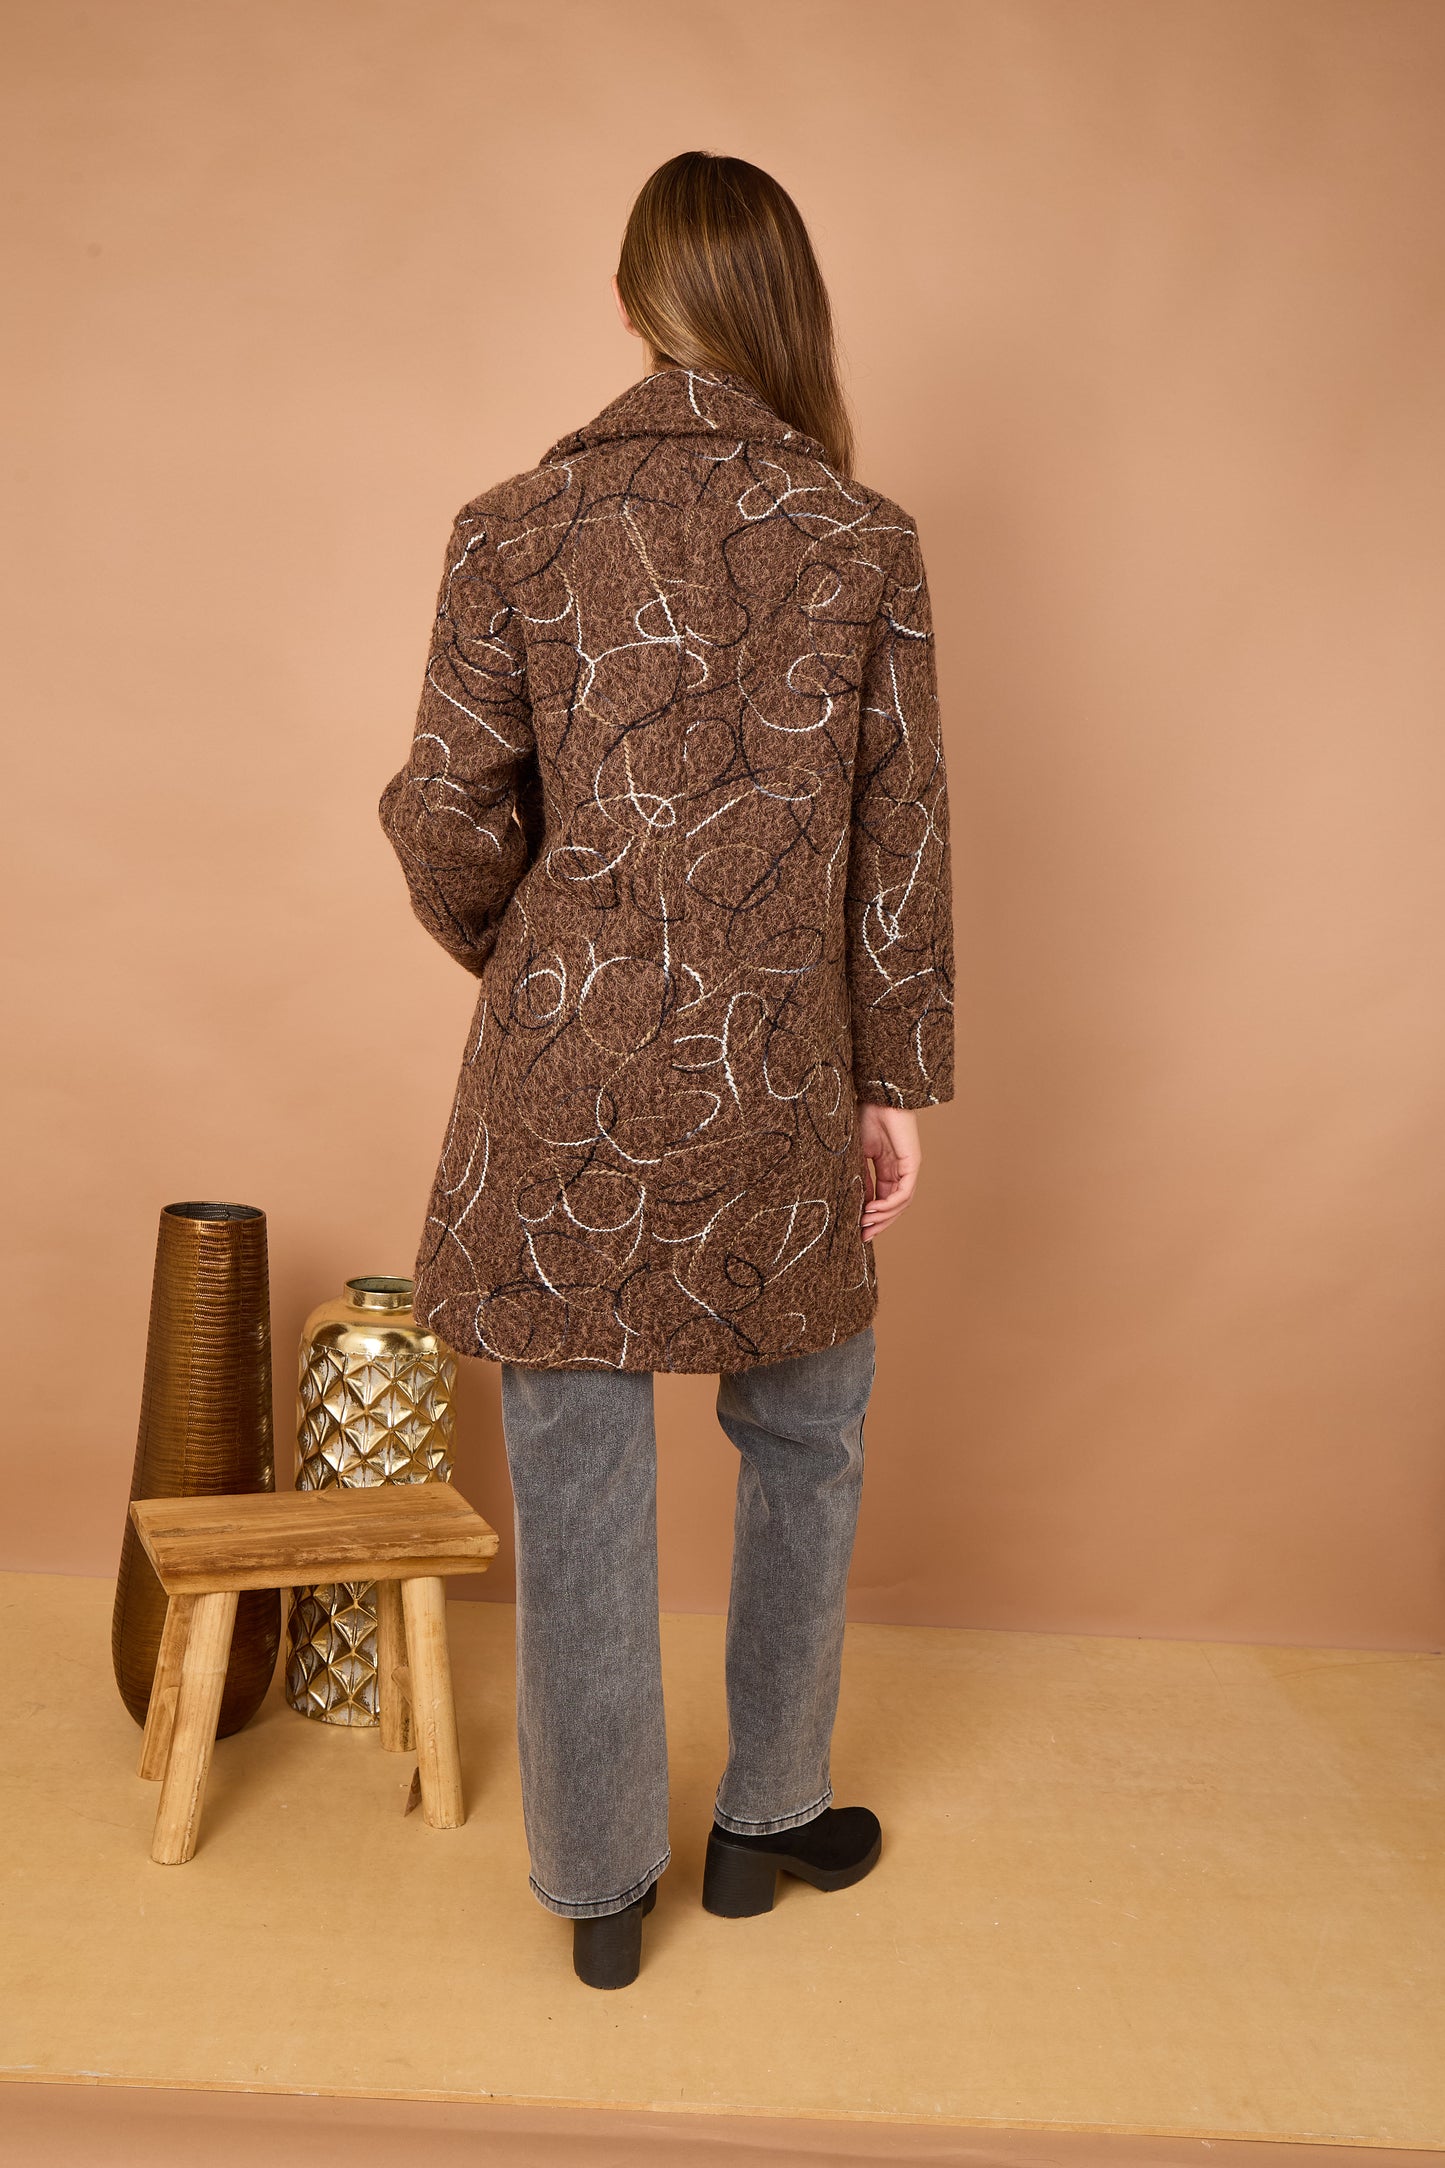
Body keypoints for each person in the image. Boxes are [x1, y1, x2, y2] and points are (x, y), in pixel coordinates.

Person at [379, 150, 955, 1989]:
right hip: (779, 1065)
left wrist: (539, 961)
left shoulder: (511, 526)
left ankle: (597, 1885)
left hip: (564, 1076)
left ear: (631, 304)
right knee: (806, 1435)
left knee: (574, 1466)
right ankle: (767, 1815)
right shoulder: (862, 539)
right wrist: (887, 1078)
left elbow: (445, 814)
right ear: (783, 305)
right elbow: (896, 845)